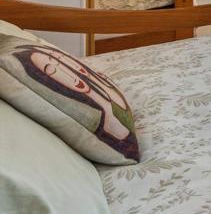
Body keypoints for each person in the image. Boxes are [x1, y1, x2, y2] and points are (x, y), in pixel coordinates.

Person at [8, 43, 139, 160]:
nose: (65, 69)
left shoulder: (108, 95)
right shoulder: (107, 124)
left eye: (59, 59)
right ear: (49, 83)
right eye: (50, 70)